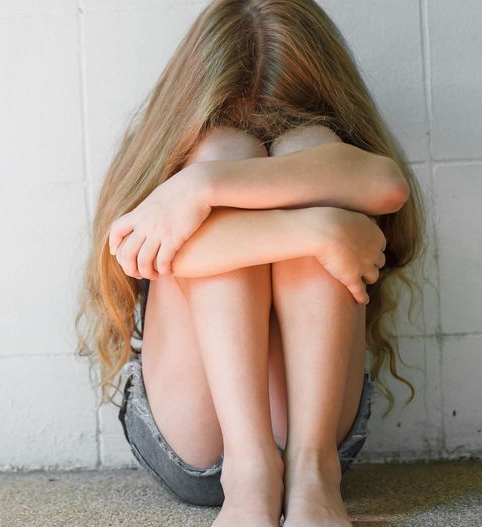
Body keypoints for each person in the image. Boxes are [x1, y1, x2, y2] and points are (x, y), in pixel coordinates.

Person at [73, 1, 427, 526]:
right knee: (223, 149)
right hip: (194, 436)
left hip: (317, 444)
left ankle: (311, 474)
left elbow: (388, 186)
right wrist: (316, 229)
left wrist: (204, 187)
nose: (262, 134)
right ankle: (249, 473)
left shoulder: (331, 151)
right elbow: (145, 256)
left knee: (311, 148)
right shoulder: (184, 154)